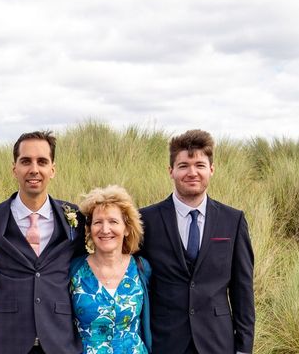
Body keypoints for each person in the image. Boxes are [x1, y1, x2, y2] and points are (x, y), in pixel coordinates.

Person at [139, 129, 255, 353]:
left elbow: (243, 291)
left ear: (211, 170)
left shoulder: (233, 220)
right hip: (165, 342)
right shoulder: (146, 220)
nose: (192, 172)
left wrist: (244, 348)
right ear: (171, 170)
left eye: (200, 165)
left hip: (217, 343)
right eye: (183, 166)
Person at [0, 130, 86, 354]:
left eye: (42, 162)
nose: (34, 169)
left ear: (52, 169)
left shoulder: (74, 218)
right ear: (14, 168)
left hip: (59, 340)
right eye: (26, 161)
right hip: (8, 340)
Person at [69, 185, 152, 354]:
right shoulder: (74, 270)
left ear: (127, 228)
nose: (105, 230)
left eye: (113, 221)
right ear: (90, 230)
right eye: (98, 222)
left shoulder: (141, 268)